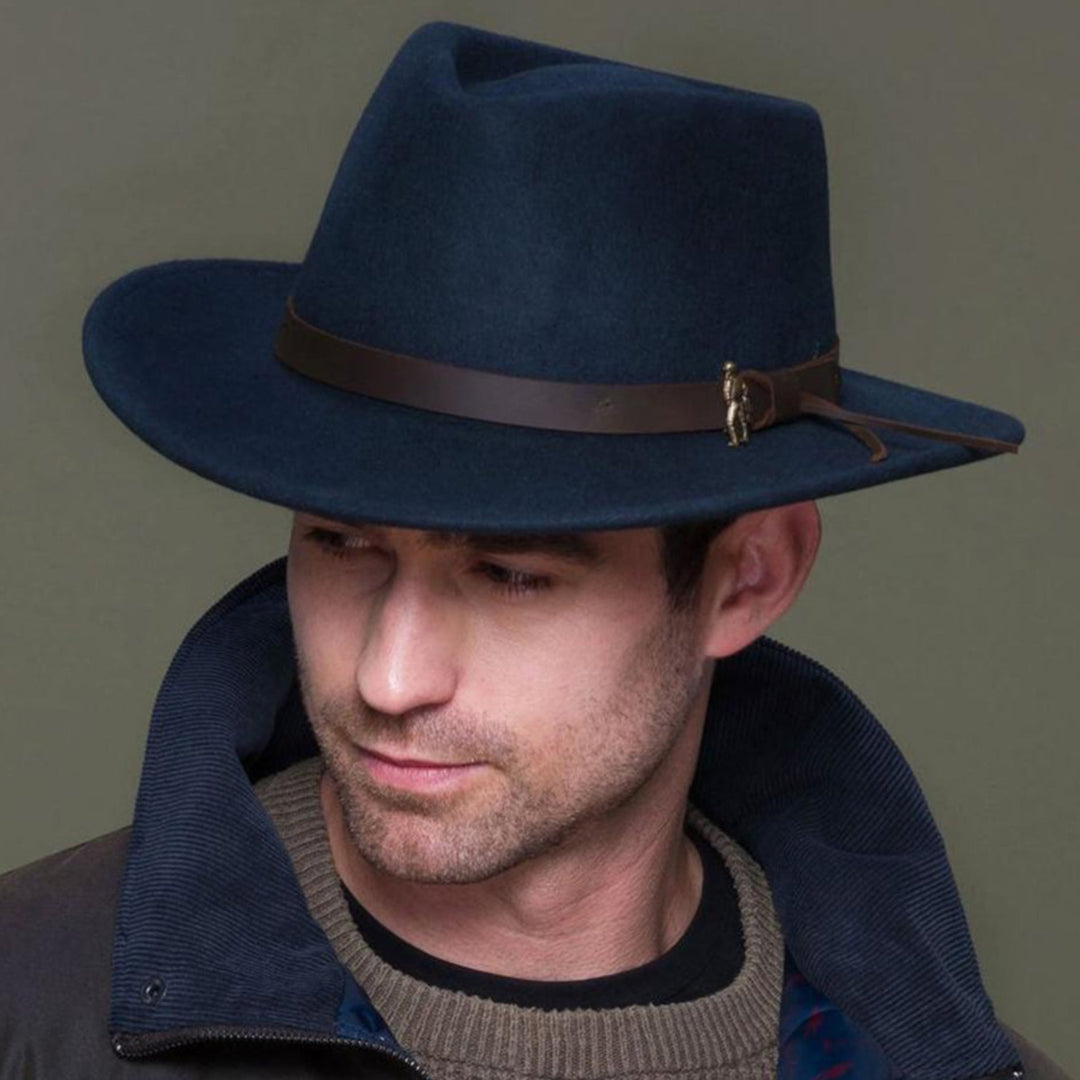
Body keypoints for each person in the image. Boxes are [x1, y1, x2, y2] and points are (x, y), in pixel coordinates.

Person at [0, 20, 1069, 1080]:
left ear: (749, 577)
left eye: (510, 574)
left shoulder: (923, 1060)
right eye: (340, 542)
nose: (388, 675)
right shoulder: (32, 1010)